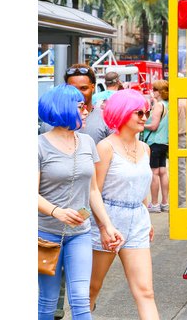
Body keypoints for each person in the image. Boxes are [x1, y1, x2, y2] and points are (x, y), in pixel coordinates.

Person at [38, 84, 124, 320]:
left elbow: (93, 190)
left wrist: (107, 226)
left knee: (80, 300)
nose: (87, 111)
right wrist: (56, 211)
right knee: (47, 302)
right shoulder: (38, 146)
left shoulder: (86, 142)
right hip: (45, 235)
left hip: (80, 233)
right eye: (80, 107)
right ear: (64, 110)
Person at [88, 89, 159, 319]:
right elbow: (94, 191)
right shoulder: (105, 147)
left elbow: (142, 188)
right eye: (138, 112)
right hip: (107, 220)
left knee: (146, 291)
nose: (144, 117)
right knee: (90, 290)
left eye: (146, 112)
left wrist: (146, 217)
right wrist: (103, 227)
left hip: (137, 220)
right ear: (121, 113)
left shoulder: (145, 148)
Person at [143, 80, 170, 213]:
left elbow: (154, 126)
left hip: (154, 142)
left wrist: (141, 126)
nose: (152, 91)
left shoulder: (158, 106)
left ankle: (154, 204)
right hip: (165, 142)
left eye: (154, 89)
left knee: (154, 173)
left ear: (160, 92)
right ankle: (165, 202)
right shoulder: (168, 104)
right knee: (163, 172)